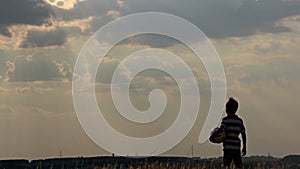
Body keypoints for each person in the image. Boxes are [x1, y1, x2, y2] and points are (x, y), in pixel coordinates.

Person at [220, 97, 247, 169]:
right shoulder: (239, 121)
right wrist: (244, 147)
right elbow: (243, 134)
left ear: (227, 110)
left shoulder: (225, 120)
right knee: (239, 165)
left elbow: (221, 129)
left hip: (227, 147)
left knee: (226, 165)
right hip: (236, 147)